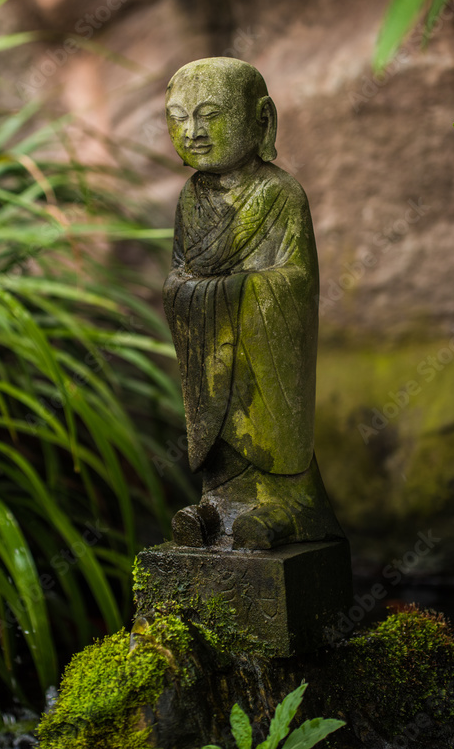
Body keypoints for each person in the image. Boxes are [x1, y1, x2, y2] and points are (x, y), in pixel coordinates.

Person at [163, 57, 343, 549]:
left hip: (264, 359)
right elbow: (179, 272)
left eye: (210, 115)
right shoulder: (191, 198)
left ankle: (287, 506)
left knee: (262, 419)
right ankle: (217, 504)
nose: (193, 132)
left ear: (261, 119)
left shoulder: (282, 193)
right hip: (212, 347)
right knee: (218, 423)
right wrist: (185, 292)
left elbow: (297, 283)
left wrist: (235, 291)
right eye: (178, 118)